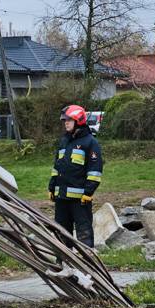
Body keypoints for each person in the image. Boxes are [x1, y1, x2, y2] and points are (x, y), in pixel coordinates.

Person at [48, 105, 103, 248]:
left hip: (80, 200)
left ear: (78, 121)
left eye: (69, 120)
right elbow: (57, 167)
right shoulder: (64, 142)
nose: (65, 123)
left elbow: (95, 171)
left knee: (84, 233)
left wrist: (88, 192)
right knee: (61, 233)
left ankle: (88, 265)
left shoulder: (90, 143)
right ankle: (62, 264)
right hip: (61, 198)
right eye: (64, 120)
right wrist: (52, 187)